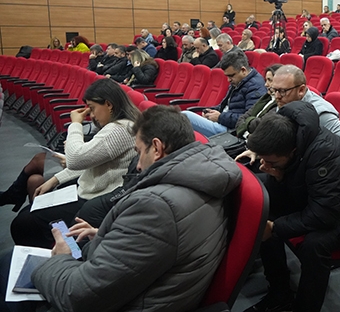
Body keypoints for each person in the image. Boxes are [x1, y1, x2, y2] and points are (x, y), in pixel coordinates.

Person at [25, 105, 241, 312]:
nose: (137, 165)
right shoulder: (207, 177)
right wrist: (109, 236)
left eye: (139, 152)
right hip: (155, 293)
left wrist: (58, 259)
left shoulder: (156, 207)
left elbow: (77, 296)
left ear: (156, 148)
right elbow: (166, 242)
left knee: (15, 270)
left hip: (133, 303)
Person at [239, 102, 340, 312]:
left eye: (273, 162)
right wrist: (278, 176)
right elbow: (298, 183)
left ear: (292, 151)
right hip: (320, 196)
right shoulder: (290, 135)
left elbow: (324, 214)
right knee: (264, 211)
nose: (267, 165)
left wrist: (275, 228)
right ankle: (280, 294)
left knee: (314, 244)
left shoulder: (325, 152)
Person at [7, 79, 139, 248]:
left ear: (108, 104)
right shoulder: (119, 126)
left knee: (24, 223)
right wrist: (55, 179)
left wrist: (75, 124)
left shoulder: (120, 129)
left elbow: (76, 159)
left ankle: (59, 253)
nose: (92, 116)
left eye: (92, 108)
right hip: (89, 189)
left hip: (97, 199)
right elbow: (90, 161)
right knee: (29, 212)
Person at [182, 50, 266, 137]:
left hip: (231, 131)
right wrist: (211, 111)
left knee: (185, 116)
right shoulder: (238, 80)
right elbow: (225, 105)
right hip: (223, 123)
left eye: (231, 76)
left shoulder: (255, 86)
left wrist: (220, 117)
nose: (228, 80)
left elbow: (248, 120)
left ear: (243, 70)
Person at [267, 65, 340, 146]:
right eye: (274, 90)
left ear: (301, 90)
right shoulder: (285, 101)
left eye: (282, 91)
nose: (277, 96)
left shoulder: (319, 112)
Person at [235, 64, 282, 138]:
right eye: (266, 80)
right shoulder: (265, 97)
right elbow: (242, 118)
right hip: (246, 137)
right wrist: (247, 134)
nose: (266, 84)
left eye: (270, 80)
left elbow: (260, 126)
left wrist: (247, 123)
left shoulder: (279, 103)